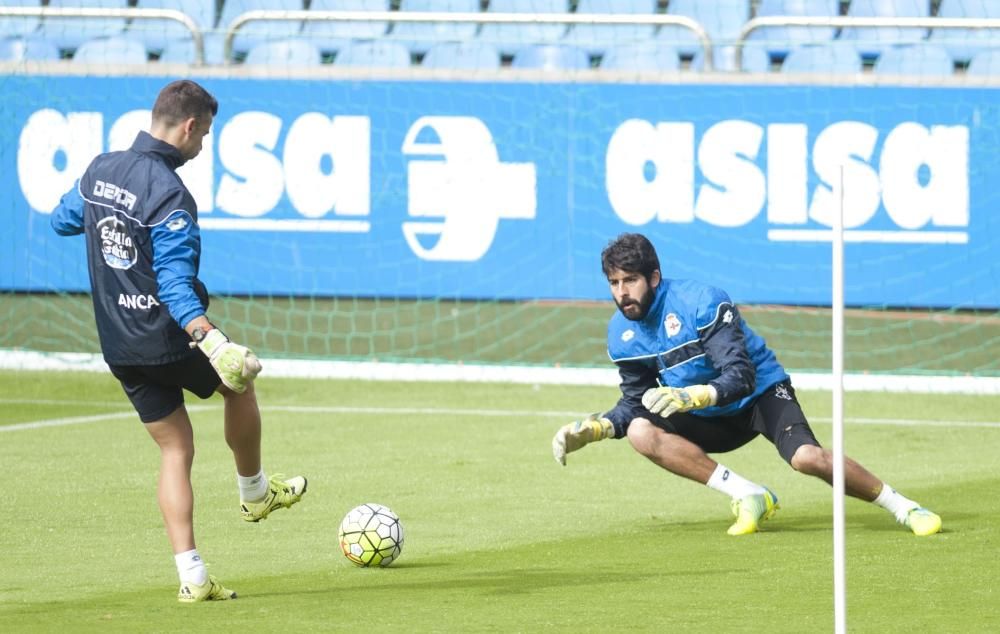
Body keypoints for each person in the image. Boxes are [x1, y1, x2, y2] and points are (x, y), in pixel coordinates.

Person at [50, 79, 307, 602]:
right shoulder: (171, 193)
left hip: (119, 343)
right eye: (206, 134)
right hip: (169, 335)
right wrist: (213, 341)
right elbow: (173, 285)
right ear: (189, 127)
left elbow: (62, 220)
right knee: (240, 385)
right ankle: (255, 493)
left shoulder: (100, 169)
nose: (203, 145)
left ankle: (192, 577)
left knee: (175, 449)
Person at [551, 232, 941, 537]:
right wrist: (599, 428)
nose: (622, 292)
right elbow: (636, 400)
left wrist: (692, 395)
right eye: (614, 282)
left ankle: (903, 506)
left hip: (758, 397)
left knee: (807, 458)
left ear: (654, 277)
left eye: (631, 280)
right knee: (638, 430)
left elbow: (740, 374)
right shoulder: (621, 332)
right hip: (705, 416)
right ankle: (747, 493)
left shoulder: (701, 301)